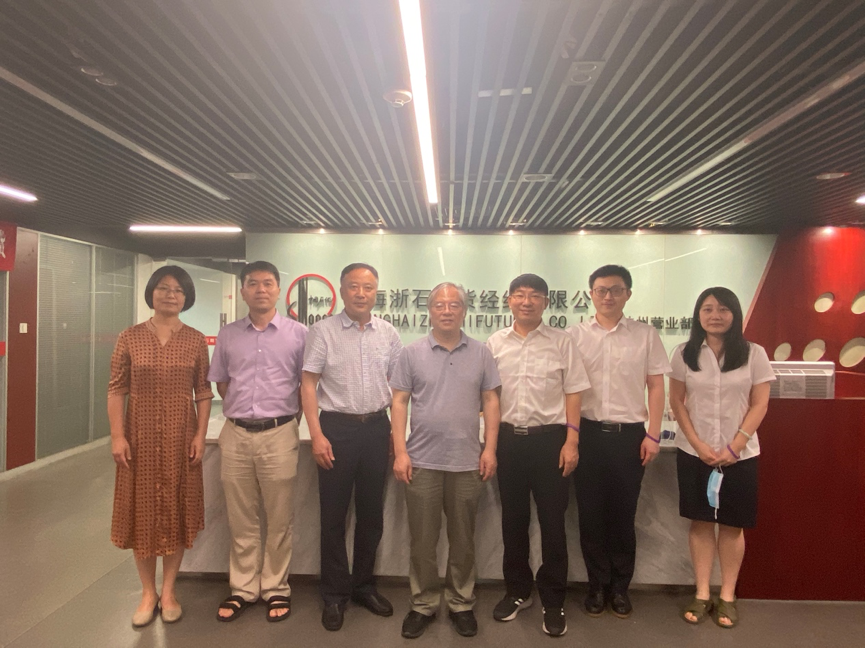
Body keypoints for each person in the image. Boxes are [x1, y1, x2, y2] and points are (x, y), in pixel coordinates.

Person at [391, 282, 501, 639]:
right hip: (421, 460)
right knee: (423, 541)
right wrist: (401, 452)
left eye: (454, 304)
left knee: (463, 540)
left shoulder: (482, 353)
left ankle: (460, 603)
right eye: (440, 304)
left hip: (467, 461)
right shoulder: (411, 353)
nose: (447, 310)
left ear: (464, 310)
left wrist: (489, 448)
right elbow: (399, 402)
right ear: (430, 309)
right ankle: (423, 603)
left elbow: (491, 401)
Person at [108, 266, 213, 628]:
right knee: (142, 513)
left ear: (187, 297)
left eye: (178, 290)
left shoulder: (195, 340)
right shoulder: (129, 337)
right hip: (138, 440)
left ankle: (168, 592)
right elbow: (116, 389)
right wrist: (117, 435)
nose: (171, 295)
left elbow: (203, 392)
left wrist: (199, 435)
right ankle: (147, 592)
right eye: (164, 288)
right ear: (151, 292)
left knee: (176, 511)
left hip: (181, 439)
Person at [301, 262, 403, 631]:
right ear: (342, 291)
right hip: (336, 429)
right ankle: (333, 594)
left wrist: (395, 435)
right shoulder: (323, 331)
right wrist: (316, 434)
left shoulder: (388, 333)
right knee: (333, 517)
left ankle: (363, 586)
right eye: (354, 286)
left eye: (368, 287)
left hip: (376, 428)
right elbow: (308, 383)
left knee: (371, 514)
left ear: (376, 292)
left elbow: (398, 388)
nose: (361, 293)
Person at [487, 274, 590, 637]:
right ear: (509, 300)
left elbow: (574, 393)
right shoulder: (495, 343)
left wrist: (572, 441)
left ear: (546, 302)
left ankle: (553, 598)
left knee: (552, 522)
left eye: (534, 296)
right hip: (508, 442)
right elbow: (488, 396)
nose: (526, 301)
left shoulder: (562, 342)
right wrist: (489, 445)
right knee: (513, 520)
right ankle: (517, 591)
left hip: (551, 442)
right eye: (519, 295)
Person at [668, 287, 774, 629]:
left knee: (732, 525)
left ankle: (727, 595)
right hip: (695, 453)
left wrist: (736, 445)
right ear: (698, 314)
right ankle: (702, 593)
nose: (715, 315)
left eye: (723, 309)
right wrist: (698, 444)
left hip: (740, 455)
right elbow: (677, 401)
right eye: (708, 309)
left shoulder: (754, 353)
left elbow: (760, 403)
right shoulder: (684, 353)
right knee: (700, 522)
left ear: (735, 314)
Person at [568, 264, 670, 618]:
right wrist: (571, 437)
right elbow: (569, 390)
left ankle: (620, 588)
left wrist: (653, 434)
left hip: (630, 437)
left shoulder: (645, 335)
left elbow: (656, 386)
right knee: (591, 515)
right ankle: (597, 586)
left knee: (624, 516)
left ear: (628, 293)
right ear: (591, 294)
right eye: (601, 290)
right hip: (588, 434)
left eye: (615, 289)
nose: (608, 296)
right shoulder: (575, 336)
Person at [209, 261, 307, 623]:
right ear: (243, 291)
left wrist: (284, 420)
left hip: (279, 433)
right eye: (253, 283)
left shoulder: (299, 334)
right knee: (241, 518)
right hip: (235, 433)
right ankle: (243, 588)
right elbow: (222, 383)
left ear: (279, 290)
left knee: (280, 518)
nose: (261, 289)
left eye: (268, 283)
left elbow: (306, 386)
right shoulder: (228, 335)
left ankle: (276, 587)